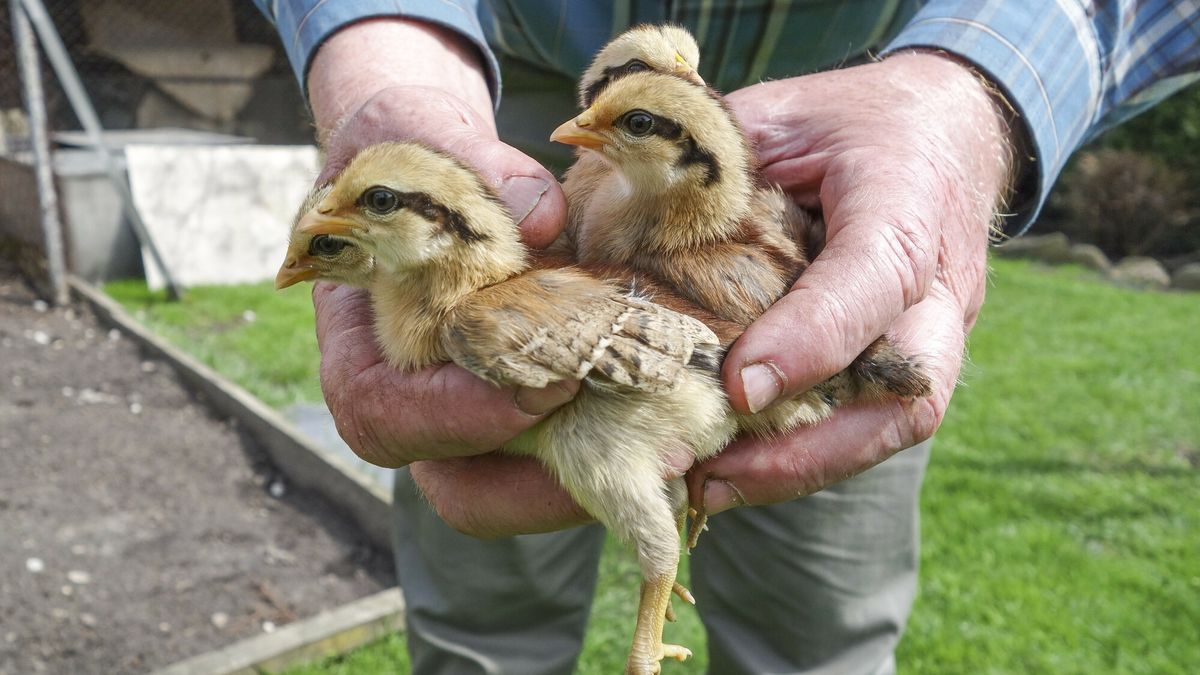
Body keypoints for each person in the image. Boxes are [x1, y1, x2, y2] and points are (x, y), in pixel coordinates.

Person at [253, 2, 1199, 673]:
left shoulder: (697, 241)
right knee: (481, 598)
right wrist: (378, 57)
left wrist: (969, 94)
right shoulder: (550, 201)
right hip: (490, 76)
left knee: (813, 624)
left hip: (866, 110)